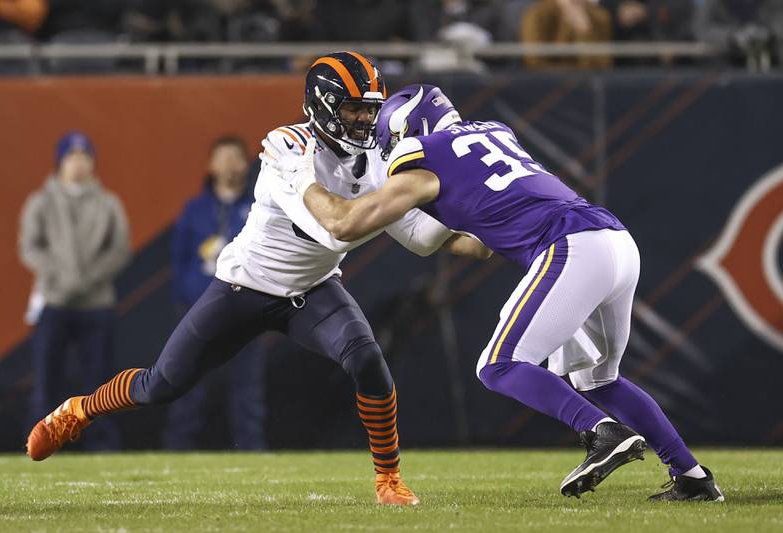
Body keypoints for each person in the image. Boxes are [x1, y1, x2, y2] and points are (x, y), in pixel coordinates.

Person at [25, 52, 489, 506]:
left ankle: (388, 479)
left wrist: (491, 231)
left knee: (368, 362)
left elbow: (420, 236)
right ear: (324, 106)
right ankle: (78, 410)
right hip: (243, 287)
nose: (366, 121)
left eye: (370, 109)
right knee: (161, 384)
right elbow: (329, 229)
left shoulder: (373, 161)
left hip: (311, 289)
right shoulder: (288, 146)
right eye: (353, 109)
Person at [281, 83, 725, 502]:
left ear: (405, 131)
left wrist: (300, 178)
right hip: (616, 241)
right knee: (600, 379)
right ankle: (691, 477)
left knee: (498, 365)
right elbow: (481, 239)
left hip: (570, 247)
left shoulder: (421, 158)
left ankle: (601, 432)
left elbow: (345, 223)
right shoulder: (496, 132)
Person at [19, 131, 131, 452]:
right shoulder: (40, 201)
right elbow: (30, 247)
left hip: (97, 304)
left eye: (85, 157)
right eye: (72, 157)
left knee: (100, 384)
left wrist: (88, 279)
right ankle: (36, 446)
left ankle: (102, 446)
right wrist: (64, 277)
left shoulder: (109, 202)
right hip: (54, 301)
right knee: (46, 380)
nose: (79, 164)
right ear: (60, 162)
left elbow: (120, 249)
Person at [165, 135, 266, 450]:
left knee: (247, 389)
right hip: (199, 311)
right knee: (187, 386)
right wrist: (187, 297)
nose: (228, 164)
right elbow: (179, 259)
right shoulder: (194, 209)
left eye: (235, 157)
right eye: (221, 158)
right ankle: (176, 452)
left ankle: (252, 452)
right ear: (210, 165)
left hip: (244, 312)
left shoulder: (260, 207)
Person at [521, 0, 613, 69]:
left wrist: (585, 31)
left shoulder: (600, 16)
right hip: (548, 84)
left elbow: (603, 64)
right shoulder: (537, 14)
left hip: (589, 83)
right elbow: (535, 62)